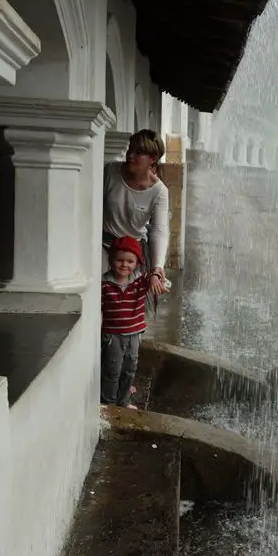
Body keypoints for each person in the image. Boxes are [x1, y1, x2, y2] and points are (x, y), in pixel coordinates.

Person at [103, 129, 169, 300]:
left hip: (132, 253)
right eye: (130, 149)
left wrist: (157, 267)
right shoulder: (110, 172)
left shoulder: (159, 191)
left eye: (138, 152)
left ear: (152, 159)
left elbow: (159, 230)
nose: (130, 155)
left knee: (129, 303)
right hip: (104, 245)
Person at [100, 236, 165, 409]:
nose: (124, 265)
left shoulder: (139, 280)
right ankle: (109, 402)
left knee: (129, 368)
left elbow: (153, 273)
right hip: (113, 335)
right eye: (119, 260)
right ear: (111, 260)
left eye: (130, 261)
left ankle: (124, 400)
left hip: (134, 334)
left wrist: (155, 277)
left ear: (137, 263)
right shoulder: (104, 283)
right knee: (112, 370)